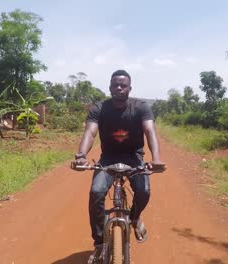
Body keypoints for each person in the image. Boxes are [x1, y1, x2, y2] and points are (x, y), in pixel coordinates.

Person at [72, 69, 165, 263]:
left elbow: (149, 130)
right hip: (108, 158)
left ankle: (134, 217)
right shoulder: (100, 108)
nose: (119, 88)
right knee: (96, 192)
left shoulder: (141, 107)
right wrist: (81, 156)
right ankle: (98, 243)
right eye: (115, 85)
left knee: (143, 190)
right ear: (110, 87)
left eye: (123, 85)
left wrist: (155, 159)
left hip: (134, 157)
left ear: (130, 88)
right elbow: (90, 132)